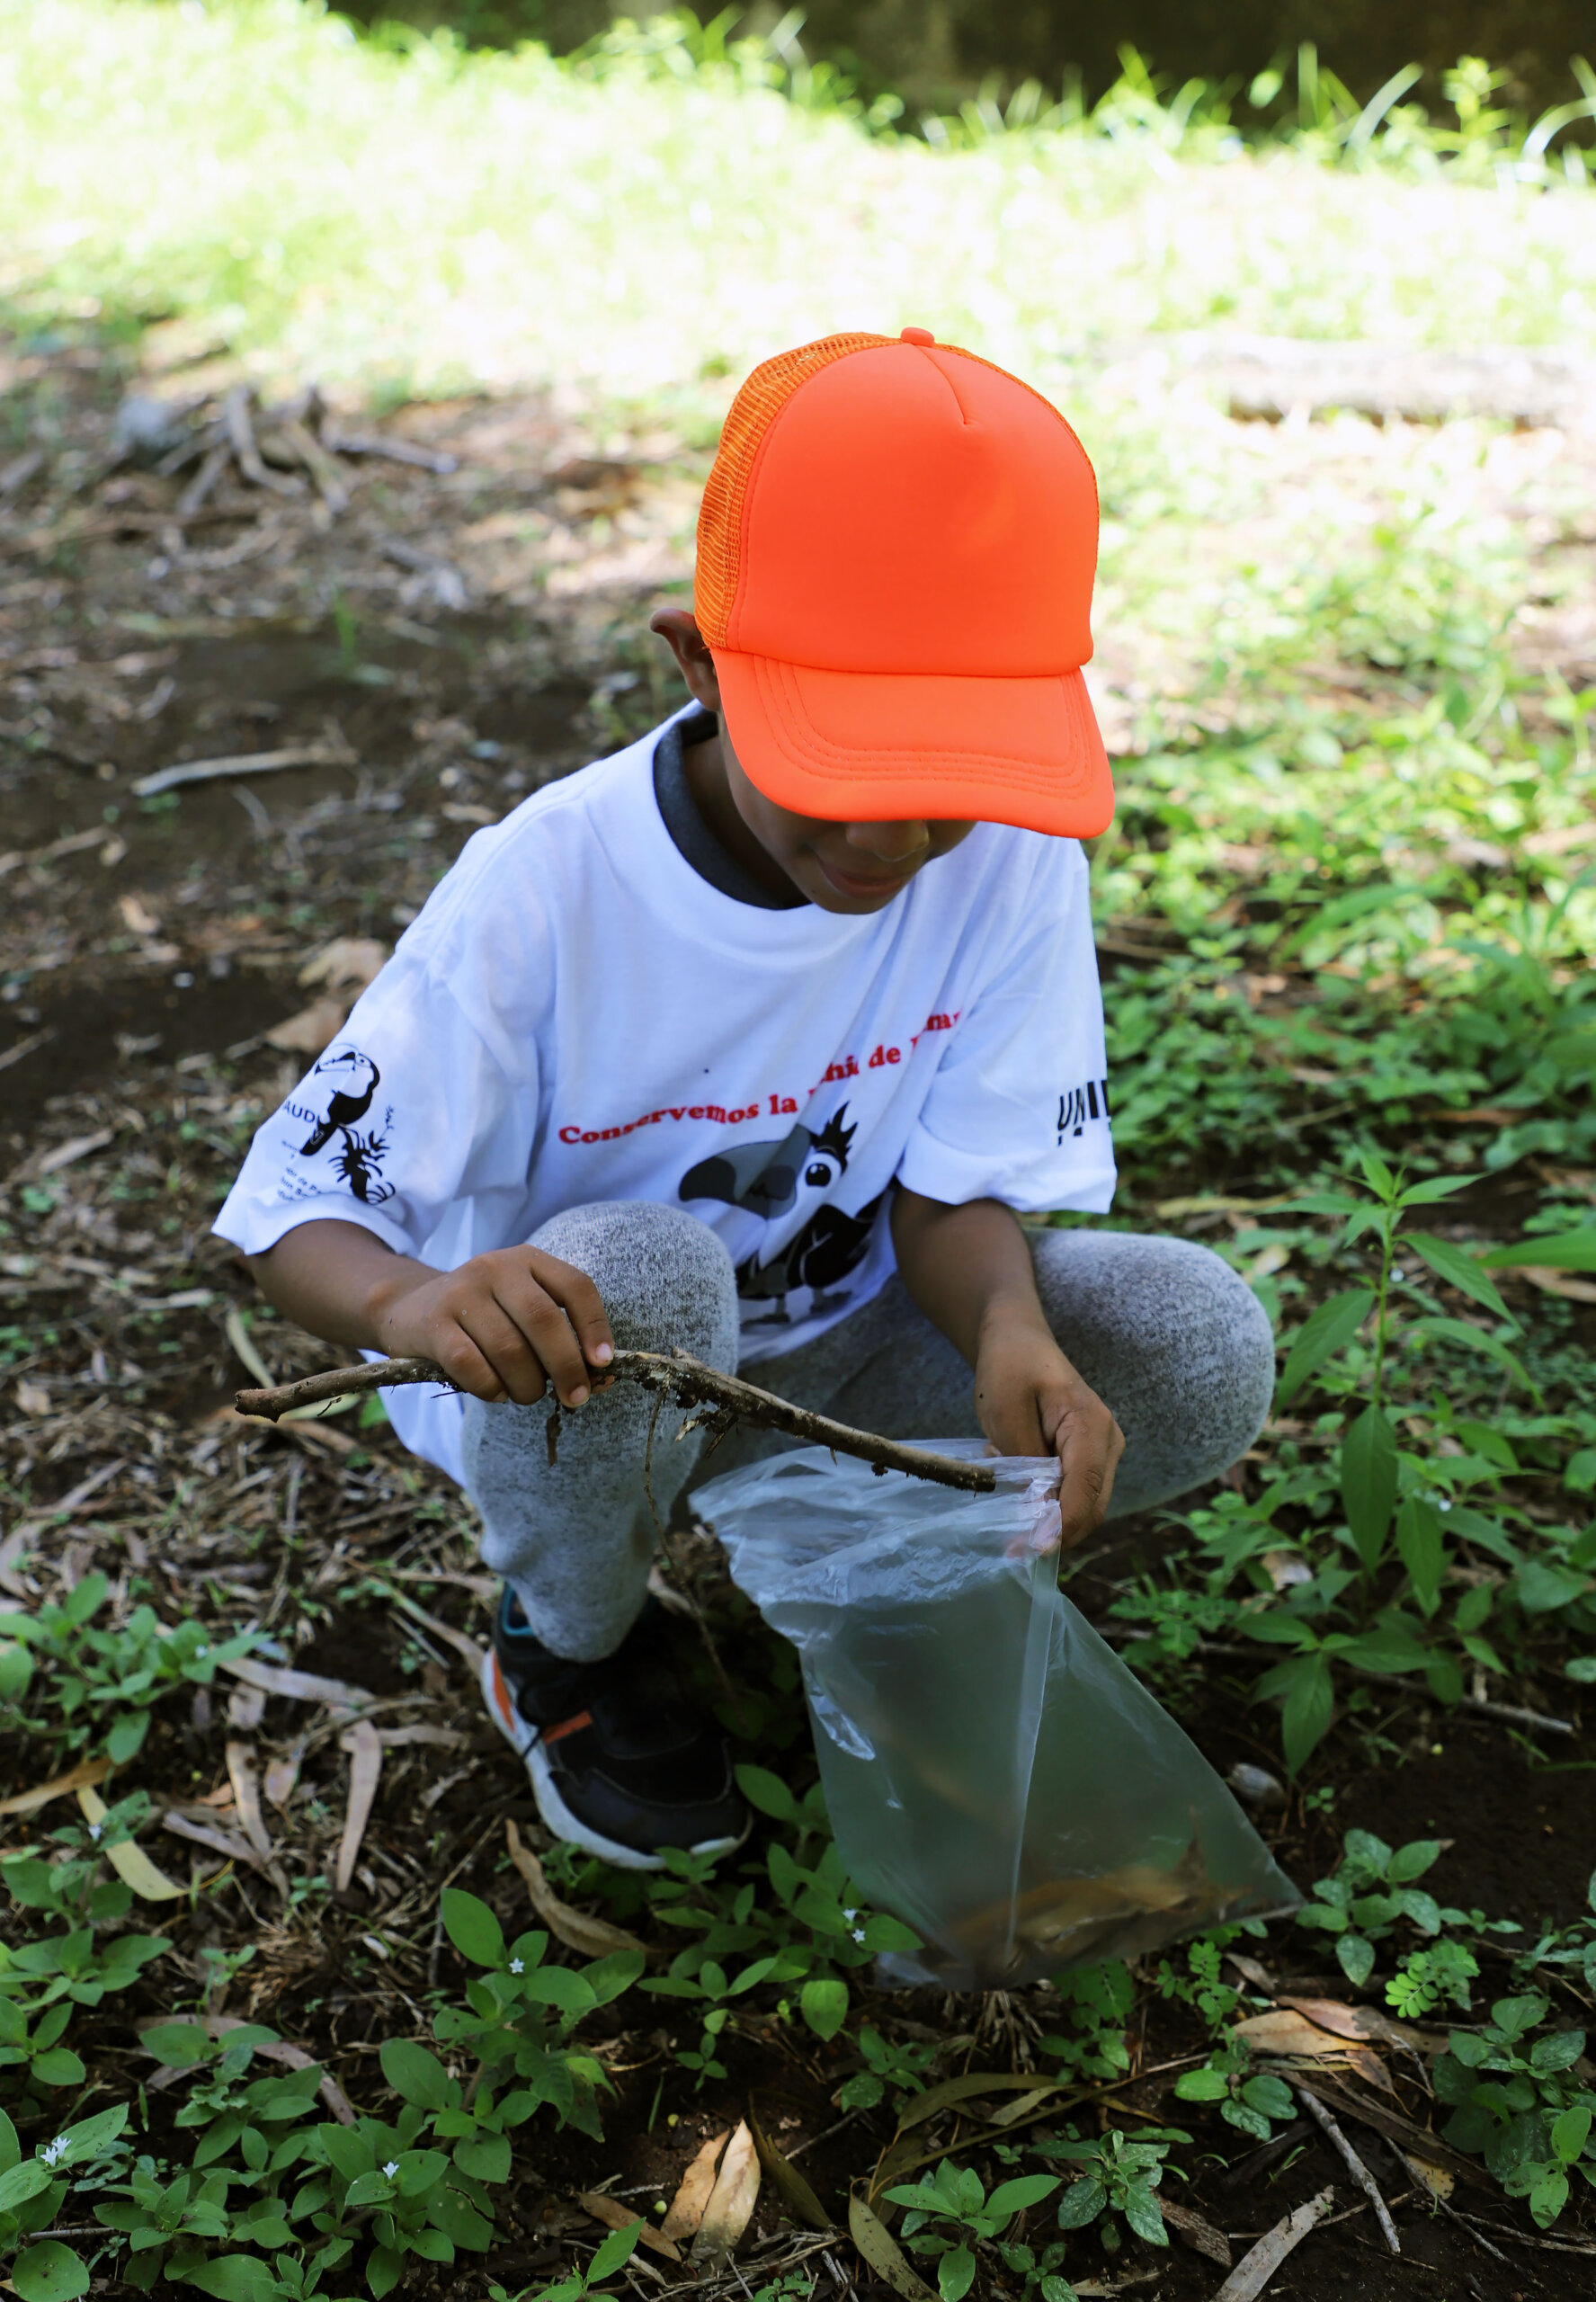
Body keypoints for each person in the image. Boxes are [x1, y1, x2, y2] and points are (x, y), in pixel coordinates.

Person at [215, 328, 1274, 1870]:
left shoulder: (1008, 852)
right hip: (588, 1386)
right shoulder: (552, 886)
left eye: (955, 772)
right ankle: (569, 1635)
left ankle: (884, 1563)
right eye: (847, 766)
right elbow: (292, 1215)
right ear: (698, 662)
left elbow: (951, 1180)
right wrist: (419, 1307)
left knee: (1189, 1339)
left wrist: (1008, 1330)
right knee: (649, 1270)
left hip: (841, 1353)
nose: (899, 838)